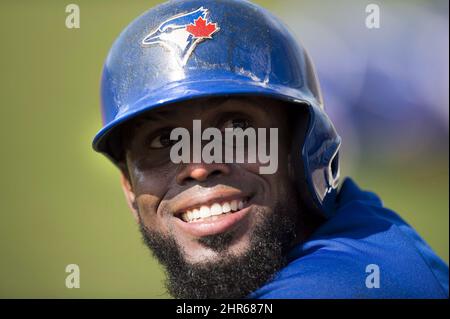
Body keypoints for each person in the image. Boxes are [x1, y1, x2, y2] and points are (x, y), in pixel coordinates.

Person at [92, 0, 448, 298]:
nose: (199, 165)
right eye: (165, 141)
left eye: (236, 128)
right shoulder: (362, 240)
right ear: (129, 187)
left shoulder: (342, 284)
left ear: (306, 150)